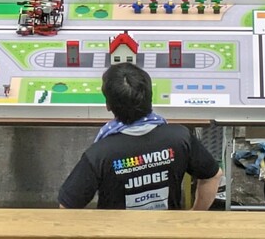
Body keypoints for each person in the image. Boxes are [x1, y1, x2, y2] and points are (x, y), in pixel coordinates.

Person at [58, 63, 223, 210]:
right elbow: (213, 176)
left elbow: (67, 206)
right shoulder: (180, 137)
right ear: (150, 98)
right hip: (167, 229)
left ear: (108, 105)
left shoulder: (98, 154)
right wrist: (193, 216)